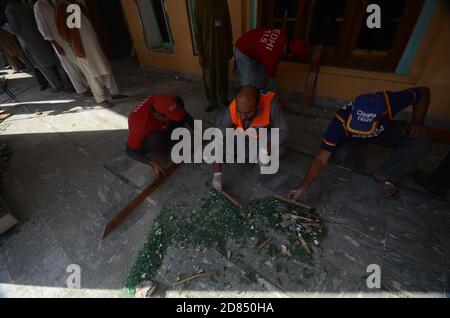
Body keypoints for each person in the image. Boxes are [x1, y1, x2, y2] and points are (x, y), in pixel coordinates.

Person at [290, 87, 434, 200]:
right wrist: (304, 186)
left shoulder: (390, 102)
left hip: (384, 130)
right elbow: (321, 159)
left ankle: (386, 174)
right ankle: (352, 159)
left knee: (423, 139)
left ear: (382, 114)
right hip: (353, 138)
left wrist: (417, 122)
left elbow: (423, 91)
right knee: (339, 154)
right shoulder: (341, 120)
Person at [212, 85, 289, 190]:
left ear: (257, 105)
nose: (242, 117)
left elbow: (283, 130)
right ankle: (246, 152)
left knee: (279, 150)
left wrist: (266, 149)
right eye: (239, 112)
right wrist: (217, 172)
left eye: (247, 112)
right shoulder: (234, 106)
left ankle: (254, 153)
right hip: (242, 136)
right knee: (220, 130)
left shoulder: (271, 104)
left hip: (262, 137)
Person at [56, 0, 125, 107]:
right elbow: (63, 32)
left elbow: (89, 22)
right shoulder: (62, 9)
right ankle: (101, 99)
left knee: (104, 68)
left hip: (94, 42)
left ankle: (114, 93)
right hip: (81, 46)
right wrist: (74, 42)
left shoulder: (79, 5)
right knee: (91, 73)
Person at [1, 0, 63, 91]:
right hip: (36, 35)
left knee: (41, 64)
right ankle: (60, 81)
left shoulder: (9, 10)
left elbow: (14, 29)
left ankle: (56, 85)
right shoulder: (21, 6)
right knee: (48, 58)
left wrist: (5, 27)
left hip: (27, 40)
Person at [126, 95, 194, 177]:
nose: (174, 118)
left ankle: (173, 134)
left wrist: (197, 130)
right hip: (151, 136)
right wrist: (151, 163)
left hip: (161, 127)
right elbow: (129, 150)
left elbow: (183, 114)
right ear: (158, 115)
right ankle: (157, 150)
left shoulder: (161, 100)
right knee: (155, 138)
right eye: (171, 117)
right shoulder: (140, 126)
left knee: (178, 100)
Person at [234, 28, 308, 98]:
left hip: (254, 47)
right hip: (243, 49)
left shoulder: (283, 34)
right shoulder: (273, 56)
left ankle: (257, 99)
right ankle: (244, 104)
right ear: (290, 54)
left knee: (260, 79)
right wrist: (277, 98)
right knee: (248, 83)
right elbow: (271, 81)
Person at [33, 0, 88, 94]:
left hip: (67, 37)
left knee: (79, 62)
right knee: (71, 67)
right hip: (58, 41)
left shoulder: (51, 3)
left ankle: (87, 85)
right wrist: (56, 45)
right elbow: (43, 29)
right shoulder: (39, 6)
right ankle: (82, 89)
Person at [194, 0, 233, 112]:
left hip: (223, 48)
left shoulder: (223, 2)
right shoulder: (199, 4)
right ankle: (212, 102)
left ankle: (223, 98)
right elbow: (197, 30)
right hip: (207, 51)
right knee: (209, 78)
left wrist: (230, 47)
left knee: (223, 75)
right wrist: (200, 53)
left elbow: (228, 26)